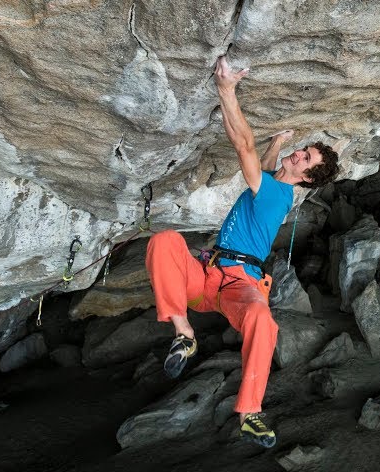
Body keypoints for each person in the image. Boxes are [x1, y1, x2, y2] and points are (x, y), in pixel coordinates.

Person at [144, 56, 338, 448]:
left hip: (241, 283)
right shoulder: (274, 186)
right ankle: (184, 334)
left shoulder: (274, 194)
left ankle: (250, 410)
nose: (300, 154)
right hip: (206, 278)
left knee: (262, 322)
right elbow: (263, 167)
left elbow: (243, 145)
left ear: (307, 178)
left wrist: (226, 89)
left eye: (306, 158)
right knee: (163, 241)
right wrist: (280, 143)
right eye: (304, 150)